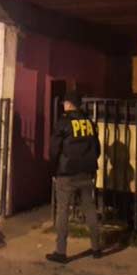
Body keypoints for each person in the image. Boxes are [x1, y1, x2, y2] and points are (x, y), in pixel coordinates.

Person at [46, 90, 102, 264]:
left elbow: (54, 150)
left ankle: (61, 252)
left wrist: (54, 170)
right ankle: (96, 248)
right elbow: (97, 149)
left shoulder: (63, 123)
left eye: (65, 103)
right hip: (86, 172)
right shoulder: (89, 123)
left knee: (63, 211)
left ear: (69, 104)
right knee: (90, 209)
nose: (63, 105)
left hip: (66, 174)